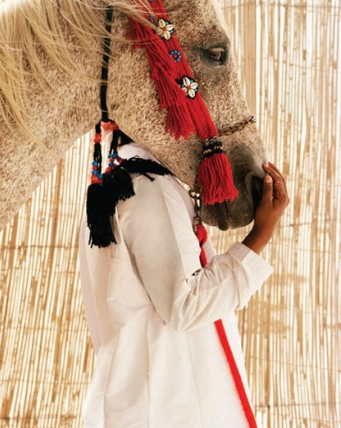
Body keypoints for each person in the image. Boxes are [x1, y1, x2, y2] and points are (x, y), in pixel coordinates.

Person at [78, 138, 289, 428]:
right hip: (173, 404)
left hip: (160, 397)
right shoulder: (148, 186)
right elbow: (186, 304)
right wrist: (261, 234)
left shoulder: (125, 180)